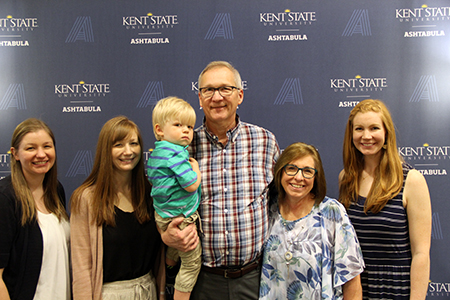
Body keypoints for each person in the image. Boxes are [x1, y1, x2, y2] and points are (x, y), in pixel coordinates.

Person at [168, 60, 279, 299]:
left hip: (255, 279)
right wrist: (166, 234)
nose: (216, 97)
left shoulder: (265, 142)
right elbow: (164, 199)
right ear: (199, 99)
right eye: (208, 90)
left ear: (239, 95)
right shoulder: (182, 148)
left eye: (225, 89)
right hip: (202, 281)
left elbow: (280, 203)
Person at [339, 99, 432, 299]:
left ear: (386, 132)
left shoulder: (411, 180)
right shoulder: (346, 178)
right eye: (359, 129)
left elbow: (421, 254)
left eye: (374, 128)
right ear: (351, 135)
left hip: (397, 288)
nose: (366, 136)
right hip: (356, 288)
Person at [70, 116, 165, 300]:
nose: (128, 151)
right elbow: (82, 268)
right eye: (119, 145)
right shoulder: (86, 199)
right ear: (106, 150)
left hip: (148, 291)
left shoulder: (151, 193)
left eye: (133, 143)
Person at [260, 142, 364, 299]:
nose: (299, 177)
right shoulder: (268, 210)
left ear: (316, 177)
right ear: (281, 172)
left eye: (307, 171)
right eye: (292, 168)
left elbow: (352, 279)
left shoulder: (332, 212)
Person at [0, 118, 70, 300]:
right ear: (15, 154)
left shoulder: (56, 190)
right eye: (31, 148)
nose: (41, 154)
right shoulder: (6, 199)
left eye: (47, 146)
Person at [147, 96, 202, 300]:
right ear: (160, 129)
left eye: (190, 126)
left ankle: (170, 263)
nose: (186, 130)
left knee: (176, 248)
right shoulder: (176, 155)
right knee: (192, 263)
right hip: (180, 217)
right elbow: (191, 185)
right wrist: (196, 170)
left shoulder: (157, 153)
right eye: (178, 125)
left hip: (163, 215)